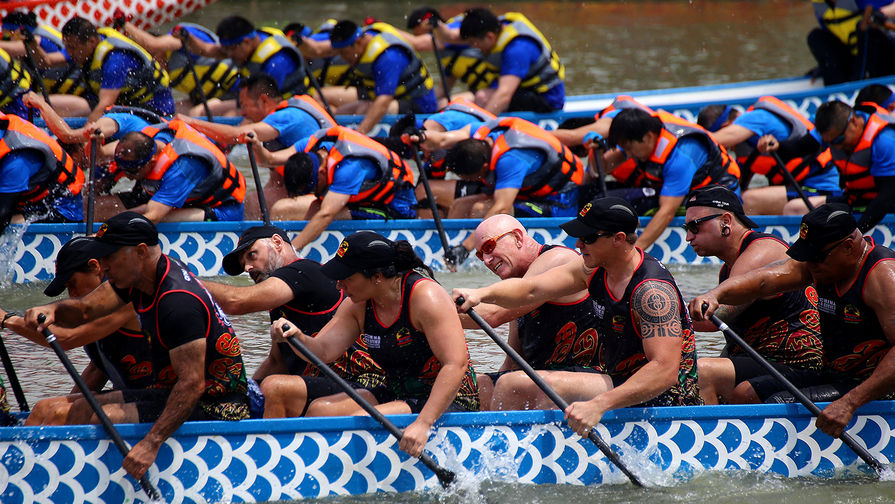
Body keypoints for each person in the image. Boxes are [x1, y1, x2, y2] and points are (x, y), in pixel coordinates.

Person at [24, 211, 250, 480]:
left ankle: (91, 481)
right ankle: (44, 473)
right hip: (169, 392)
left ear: (141, 252)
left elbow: (191, 385)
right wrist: (53, 310)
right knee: (75, 408)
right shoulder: (140, 279)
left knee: (103, 417)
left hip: (218, 406)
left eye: (109, 256)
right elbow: (85, 310)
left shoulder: (178, 303)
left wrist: (151, 443)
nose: (103, 266)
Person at [454, 197, 701, 437]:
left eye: (588, 238)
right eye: (579, 236)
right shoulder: (590, 270)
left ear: (618, 239)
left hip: (667, 399)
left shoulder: (652, 293)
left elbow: (664, 371)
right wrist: (480, 294)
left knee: (513, 385)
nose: (578, 244)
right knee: (478, 387)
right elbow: (529, 290)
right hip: (617, 378)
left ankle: (508, 454)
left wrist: (599, 405)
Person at [691, 203, 895, 438]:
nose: (810, 266)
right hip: (835, 374)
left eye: (816, 258)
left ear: (848, 246)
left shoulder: (883, 277)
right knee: (745, 394)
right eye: (807, 257)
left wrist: (850, 403)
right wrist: (716, 294)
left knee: (774, 404)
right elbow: (764, 280)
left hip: (879, 387)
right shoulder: (820, 264)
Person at [270, 231, 479, 456]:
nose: (339, 286)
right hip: (397, 391)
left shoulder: (425, 296)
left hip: (448, 399)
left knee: (360, 420)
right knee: (320, 410)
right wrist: (296, 337)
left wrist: (423, 423)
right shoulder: (358, 305)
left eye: (346, 277)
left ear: (377, 276)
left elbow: (455, 364)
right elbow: (323, 351)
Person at [201, 225, 383, 418]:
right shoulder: (280, 300)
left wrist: (187, 281)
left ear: (277, 242)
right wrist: (245, 391)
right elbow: (276, 362)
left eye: (252, 255)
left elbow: (236, 302)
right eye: (244, 263)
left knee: (274, 387)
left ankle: (268, 437)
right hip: (321, 385)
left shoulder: (304, 271)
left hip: (360, 383)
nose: (247, 268)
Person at [682, 186, 823, 404]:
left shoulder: (761, 252)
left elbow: (711, 320)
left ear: (726, 221)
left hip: (802, 366)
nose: (688, 237)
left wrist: (656, 317)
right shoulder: (728, 268)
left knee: (703, 372)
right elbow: (735, 339)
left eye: (694, 226)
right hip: (766, 362)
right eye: (686, 228)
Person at [0, 236, 151, 426]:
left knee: (59, 414)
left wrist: (7, 320)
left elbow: (65, 339)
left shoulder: (122, 298)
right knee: (43, 409)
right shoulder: (95, 312)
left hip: (156, 396)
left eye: (73, 283)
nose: (72, 294)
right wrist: (69, 406)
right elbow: (97, 369)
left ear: (95, 267)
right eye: (67, 288)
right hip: (131, 393)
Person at [466, 214, 603, 410]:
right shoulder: (516, 284)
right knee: (470, 388)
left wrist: (430, 311)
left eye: (489, 247)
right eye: (480, 256)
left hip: (590, 376)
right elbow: (512, 364)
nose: (487, 261)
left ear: (517, 238)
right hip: (544, 379)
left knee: (510, 385)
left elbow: (493, 315)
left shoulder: (558, 259)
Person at [417, 116, 584, 260]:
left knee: (479, 209)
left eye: (473, 178)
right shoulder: (481, 132)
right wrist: (420, 136)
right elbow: (443, 139)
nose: (474, 181)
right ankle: (449, 258)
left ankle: (472, 255)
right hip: (528, 193)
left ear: (484, 167)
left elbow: (501, 208)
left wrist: (466, 247)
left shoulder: (510, 160)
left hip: (559, 204)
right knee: (460, 205)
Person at [177, 74, 336, 219]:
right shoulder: (278, 131)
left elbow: (235, 135)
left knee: (263, 204)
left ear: (263, 101)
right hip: (312, 187)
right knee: (255, 200)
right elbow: (276, 181)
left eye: (245, 105)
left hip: (334, 191)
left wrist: (191, 122)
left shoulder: (287, 116)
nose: (243, 113)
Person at [248, 125, 417, 253]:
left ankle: (295, 250)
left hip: (395, 208)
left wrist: (290, 251)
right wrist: (256, 145)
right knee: (309, 208)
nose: (314, 194)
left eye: (314, 189)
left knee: (321, 212)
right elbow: (270, 160)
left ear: (321, 172)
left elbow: (326, 215)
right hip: (364, 198)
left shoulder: (348, 167)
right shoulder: (313, 144)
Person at [606, 107, 740, 251]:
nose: (628, 154)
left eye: (629, 148)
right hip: (678, 190)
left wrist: (633, 253)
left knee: (617, 206)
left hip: (716, 200)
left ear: (648, 137)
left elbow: (667, 212)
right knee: (602, 197)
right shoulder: (646, 129)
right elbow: (605, 164)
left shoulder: (681, 157)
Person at [707, 96, 839, 215]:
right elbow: (737, 187)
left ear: (726, 126)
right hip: (801, 187)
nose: (727, 149)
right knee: (737, 199)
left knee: (748, 201)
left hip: (823, 187)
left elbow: (712, 140)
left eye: (725, 148)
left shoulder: (755, 118)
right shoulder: (744, 150)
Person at [97, 120, 246, 223]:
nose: (127, 178)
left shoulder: (183, 167)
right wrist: (97, 145)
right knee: (105, 210)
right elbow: (102, 155)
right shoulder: (146, 140)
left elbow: (153, 217)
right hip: (184, 198)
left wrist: (106, 232)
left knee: (154, 219)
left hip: (223, 211)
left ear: (152, 161)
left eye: (131, 172)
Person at [328, 20, 437, 134]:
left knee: (364, 109)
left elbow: (383, 102)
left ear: (358, 42)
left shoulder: (389, 57)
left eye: (343, 52)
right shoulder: (366, 37)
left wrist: (360, 133)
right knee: (341, 112)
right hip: (395, 99)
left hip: (421, 105)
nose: (342, 57)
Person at [115, 18, 240, 116]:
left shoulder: (177, 40)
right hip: (207, 98)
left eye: (151, 57)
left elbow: (153, 44)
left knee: (195, 113)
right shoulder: (161, 75)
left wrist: (124, 23)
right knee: (170, 115)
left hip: (234, 91)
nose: (151, 64)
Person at [59, 17, 174, 121]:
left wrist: (82, 133)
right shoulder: (93, 44)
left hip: (156, 110)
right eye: (67, 47)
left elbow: (105, 105)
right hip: (128, 107)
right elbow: (51, 60)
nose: (69, 53)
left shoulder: (116, 61)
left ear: (92, 42)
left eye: (72, 47)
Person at [458, 8, 565, 114]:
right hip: (525, 91)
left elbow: (504, 95)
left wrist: (482, 123)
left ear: (490, 37)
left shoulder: (517, 49)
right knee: (466, 98)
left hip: (548, 99)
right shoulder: (497, 27)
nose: (474, 47)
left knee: (482, 97)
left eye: (473, 43)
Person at [814, 99, 895, 232]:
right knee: (796, 208)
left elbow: (887, 196)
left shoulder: (885, 140)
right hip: (855, 199)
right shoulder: (836, 134)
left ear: (854, 122)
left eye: (839, 140)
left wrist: (856, 233)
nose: (836, 147)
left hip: (886, 203)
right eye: (830, 143)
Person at [185, 15, 309, 99]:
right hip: (252, 97)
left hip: (287, 105)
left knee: (205, 110)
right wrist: (187, 38)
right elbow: (206, 49)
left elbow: (264, 103)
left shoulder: (277, 61)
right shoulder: (242, 45)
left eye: (231, 49)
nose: (228, 55)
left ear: (246, 42)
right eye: (225, 49)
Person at [0, 111, 84, 233]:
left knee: (10, 220)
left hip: (61, 213)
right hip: (24, 199)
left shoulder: (16, 163)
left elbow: (2, 215)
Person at [1, 11, 91, 116]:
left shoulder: (35, 40)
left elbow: (15, 49)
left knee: (31, 102)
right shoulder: (37, 36)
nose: (6, 41)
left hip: (85, 100)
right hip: (72, 96)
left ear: (16, 33)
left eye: (6, 37)